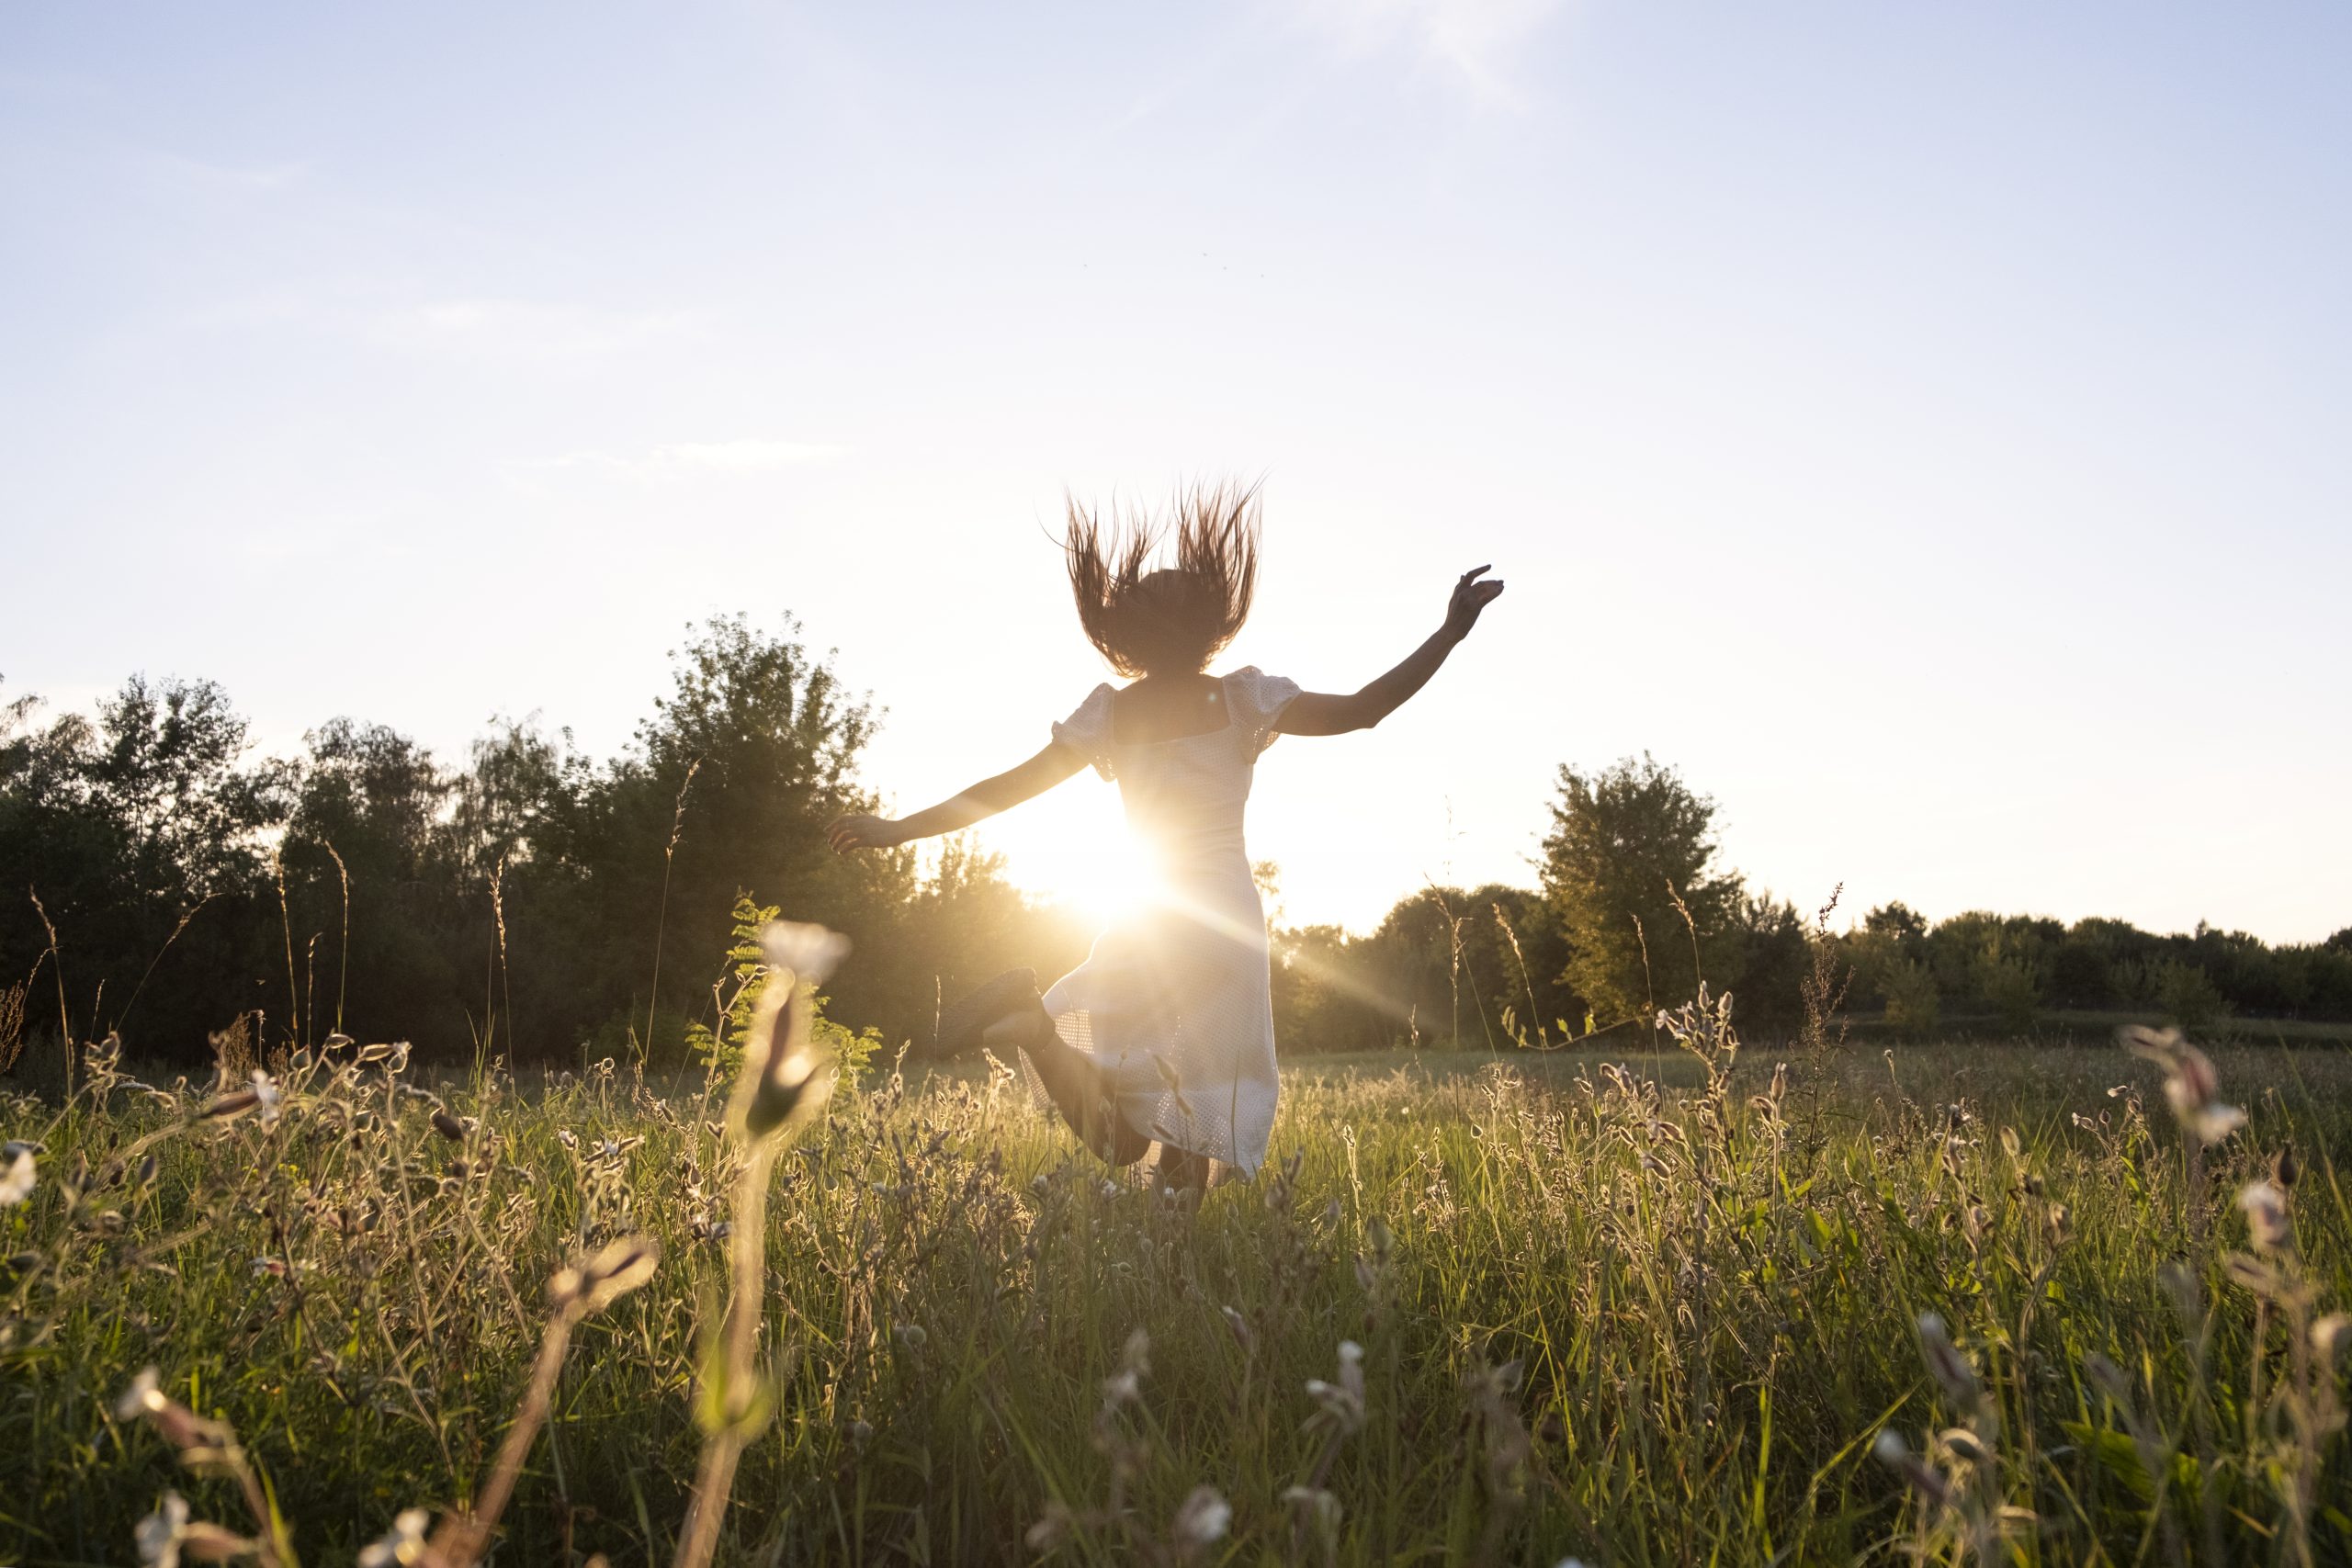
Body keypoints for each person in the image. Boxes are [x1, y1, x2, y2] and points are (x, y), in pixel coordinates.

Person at [827, 481, 1503, 1189]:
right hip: (1222, 928)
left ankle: (1034, 1027)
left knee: (1129, 1135)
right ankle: (1172, 1254)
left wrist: (899, 830)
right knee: (1192, 1112)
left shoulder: (1111, 714)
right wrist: (1450, 632)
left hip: (1144, 921)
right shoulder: (1243, 698)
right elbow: (1366, 709)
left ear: (1130, 636)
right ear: (1211, 625)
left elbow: (1005, 789)